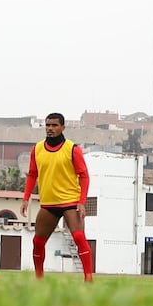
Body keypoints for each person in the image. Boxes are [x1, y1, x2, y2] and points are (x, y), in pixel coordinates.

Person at [21, 112, 93, 281]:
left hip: (70, 202)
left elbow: (84, 176)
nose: (50, 129)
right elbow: (32, 174)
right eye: (47, 125)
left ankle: (88, 277)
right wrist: (26, 198)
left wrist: (82, 202)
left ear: (62, 127)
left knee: (79, 237)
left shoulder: (73, 149)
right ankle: (39, 279)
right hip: (48, 204)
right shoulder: (37, 149)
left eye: (54, 125)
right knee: (38, 242)